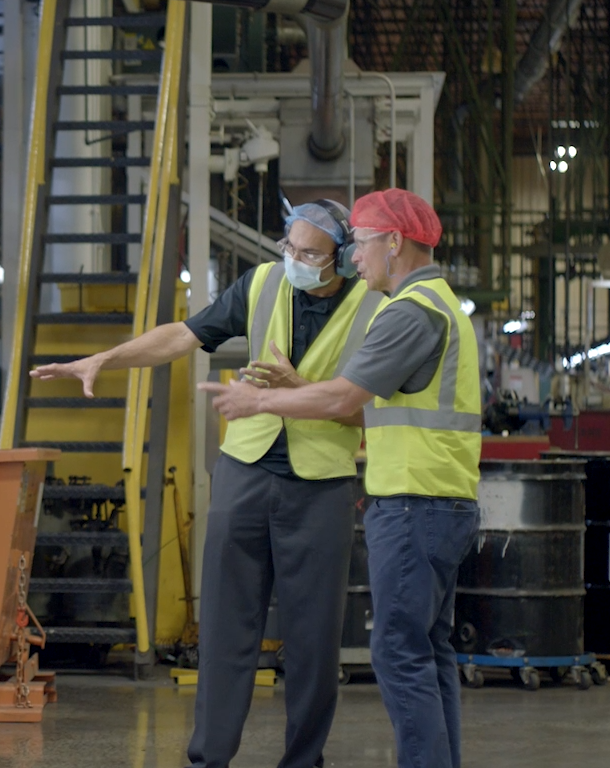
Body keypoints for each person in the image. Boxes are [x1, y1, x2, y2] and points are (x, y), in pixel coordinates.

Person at [31, 199, 381, 768]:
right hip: (244, 473)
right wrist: (107, 358)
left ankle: (304, 760)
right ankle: (208, 759)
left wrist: (297, 389)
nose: (293, 260)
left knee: (314, 642)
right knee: (223, 632)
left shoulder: (373, 309)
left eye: (309, 253)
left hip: (320, 486)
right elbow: (183, 335)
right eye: (288, 247)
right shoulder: (264, 284)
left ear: (341, 257)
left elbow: (368, 413)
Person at [200, 188, 483, 768]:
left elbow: (347, 397)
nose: (356, 257)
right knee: (431, 653)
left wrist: (260, 404)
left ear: (395, 242)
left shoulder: (408, 311)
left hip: (412, 502)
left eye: (362, 244)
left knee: (401, 657)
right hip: (443, 498)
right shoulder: (442, 303)